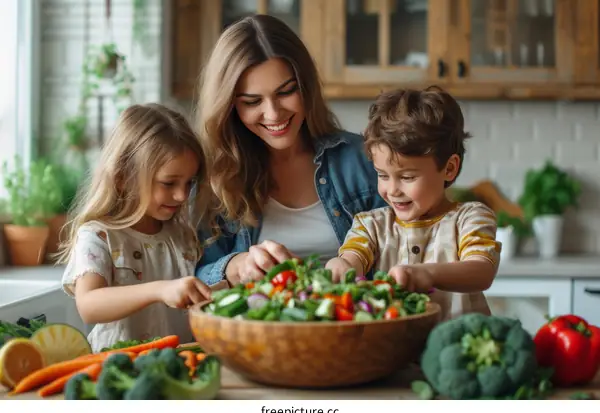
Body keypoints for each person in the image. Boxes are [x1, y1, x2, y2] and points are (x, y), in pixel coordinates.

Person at [194, 14, 386, 287]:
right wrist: (235, 267)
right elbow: (192, 277)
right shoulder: (214, 178)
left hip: (356, 323)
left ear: (305, 86)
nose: (273, 114)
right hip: (256, 327)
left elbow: (404, 249)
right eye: (252, 101)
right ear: (229, 106)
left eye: (285, 92)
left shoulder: (362, 158)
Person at [326, 86, 501, 321]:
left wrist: (427, 274)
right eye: (383, 175)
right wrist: (341, 265)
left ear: (449, 168)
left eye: (407, 177)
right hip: (397, 350)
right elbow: (352, 257)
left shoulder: (470, 218)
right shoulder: (371, 225)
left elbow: (482, 271)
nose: (392, 190)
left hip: (459, 347)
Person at [57, 103, 214, 352]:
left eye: (189, 183)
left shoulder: (183, 235)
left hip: (179, 367)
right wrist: (160, 290)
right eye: (169, 183)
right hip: (118, 370)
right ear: (123, 178)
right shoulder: (99, 235)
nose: (182, 195)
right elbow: (88, 305)